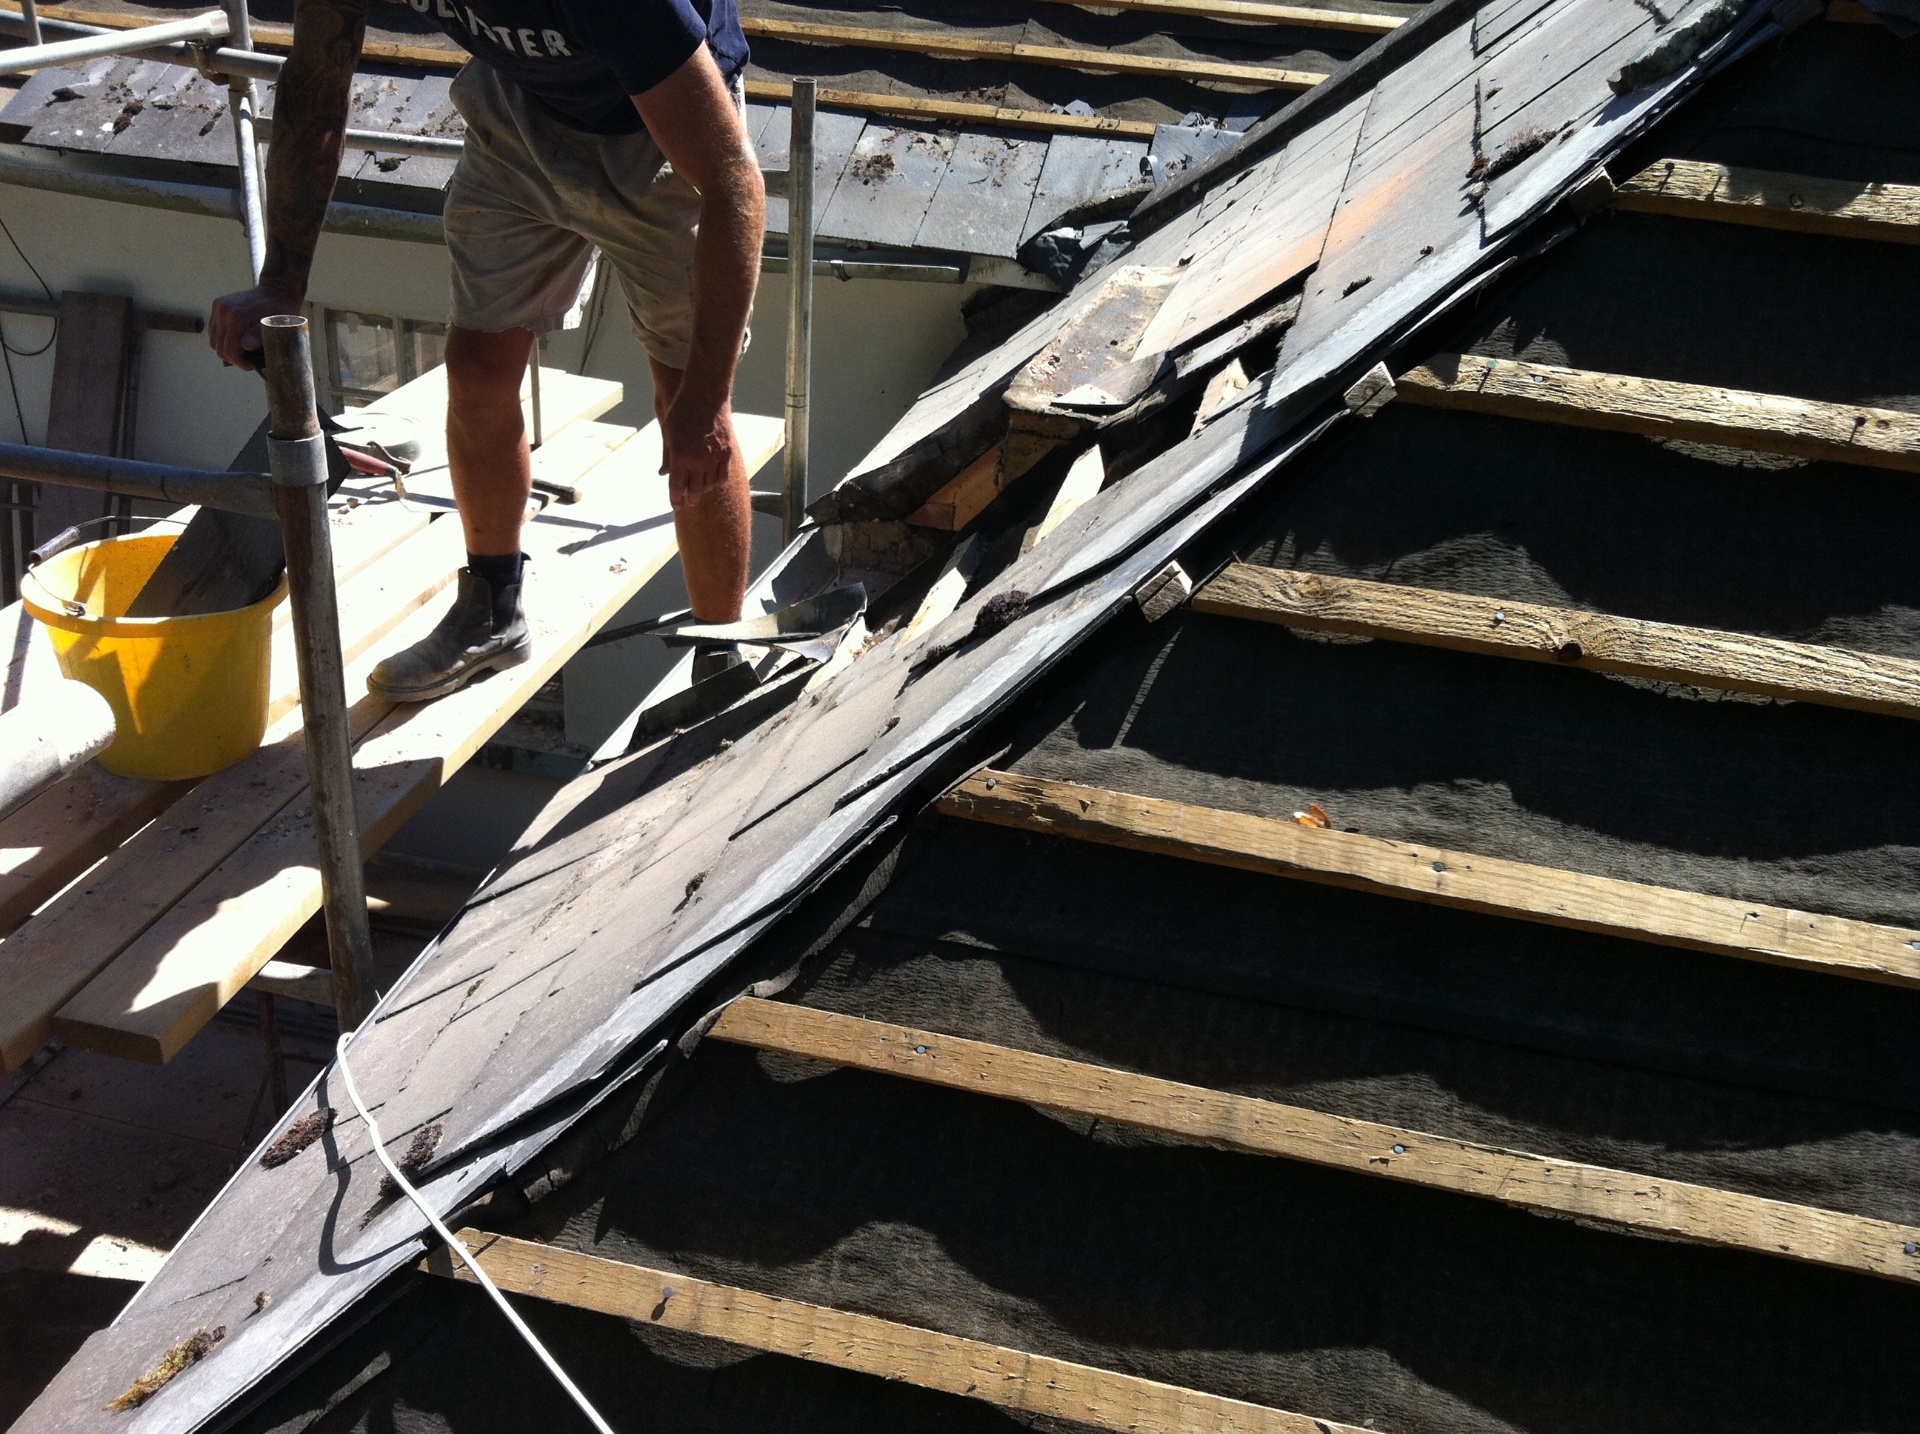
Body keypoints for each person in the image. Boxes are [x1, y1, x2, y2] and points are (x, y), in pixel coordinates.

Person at [209, 0, 765, 701]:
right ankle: (493, 611)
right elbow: (318, 80)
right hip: (521, 108)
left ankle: (722, 656)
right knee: (474, 372)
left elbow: (732, 181)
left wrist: (709, 403)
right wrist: (281, 286)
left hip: (661, 130)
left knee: (685, 406)